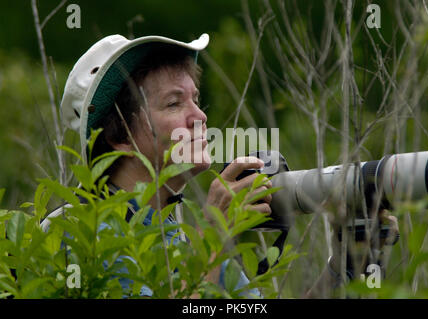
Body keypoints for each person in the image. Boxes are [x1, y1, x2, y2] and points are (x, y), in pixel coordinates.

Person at [42, 33, 399, 298]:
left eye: (195, 99)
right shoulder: (74, 236)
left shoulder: (183, 237)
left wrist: (347, 266)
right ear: (120, 136)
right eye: (173, 103)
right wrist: (214, 236)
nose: (200, 116)